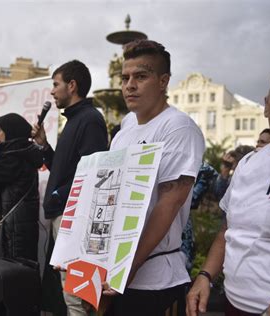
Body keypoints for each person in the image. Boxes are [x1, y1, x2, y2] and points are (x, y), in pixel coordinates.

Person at [103, 39, 205, 315]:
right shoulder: (125, 129)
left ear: (163, 81)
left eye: (141, 76)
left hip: (154, 279)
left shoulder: (178, 127)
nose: (129, 85)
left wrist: (127, 267)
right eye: (125, 78)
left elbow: (169, 204)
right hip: (114, 271)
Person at [186, 74, 270, 316]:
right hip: (234, 302)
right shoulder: (248, 163)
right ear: (266, 105)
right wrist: (205, 276)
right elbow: (228, 230)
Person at [31, 60, 108, 315]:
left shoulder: (90, 120)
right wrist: (44, 146)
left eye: (56, 84)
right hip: (63, 213)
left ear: (72, 86)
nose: (52, 92)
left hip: (73, 216)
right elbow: (64, 170)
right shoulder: (75, 120)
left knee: (75, 294)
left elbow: (92, 172)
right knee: (68, 291)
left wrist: (57, 194)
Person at [0, 113, 43, 261]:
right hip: (17, 226)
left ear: (10, 132)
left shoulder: (13, 156)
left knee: (12, 273)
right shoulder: (21, 152)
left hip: (13, 229)